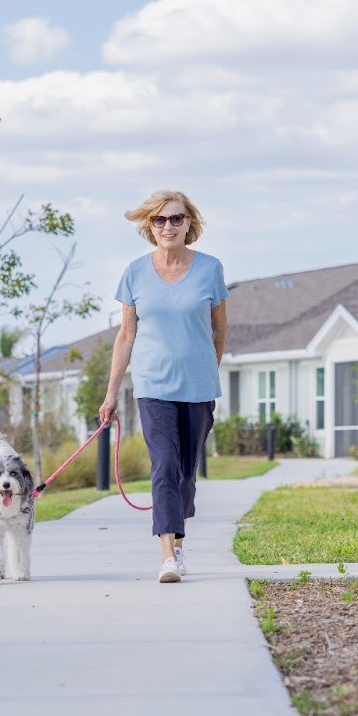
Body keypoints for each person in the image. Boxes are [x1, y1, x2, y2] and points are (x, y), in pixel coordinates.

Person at [99, 189, 228, 584]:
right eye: (159, 220)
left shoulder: (210, 268)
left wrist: (206, 369)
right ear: (149, 226)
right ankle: (167, 555)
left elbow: (220, 328)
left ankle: (178, 541)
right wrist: (110, 395)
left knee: (186, 472)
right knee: (165, 465)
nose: (168, 226)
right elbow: (125, 336)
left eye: (175, 219)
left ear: (190, 223)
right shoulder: (135, 272)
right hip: (153, 387)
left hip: (198, 388)